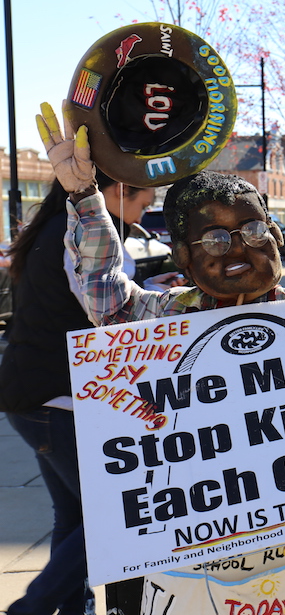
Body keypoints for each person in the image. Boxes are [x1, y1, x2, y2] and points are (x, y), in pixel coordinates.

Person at [34, 103, 285, 614]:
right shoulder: (165, 319)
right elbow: (106, 298)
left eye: (252, 230)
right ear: (183, 258)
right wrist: (85, 196)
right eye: (214, 239)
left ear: (277, 234)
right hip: (184, 567)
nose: (237, 249)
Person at [0, 168, 178, 615]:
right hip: (58, 400)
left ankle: (70, 610)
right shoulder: (86, 233)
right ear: (117, 190)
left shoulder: (55, 226)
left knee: (75, 517)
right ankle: (31, 608)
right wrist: (163, 303)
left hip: (33, 396)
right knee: (114, 517)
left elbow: (79, 298)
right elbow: (107, 313)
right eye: (142, 202)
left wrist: (149, 288)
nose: (143, 213)